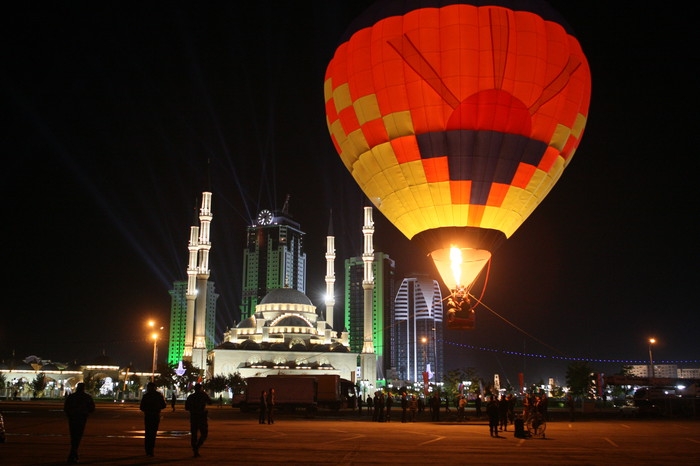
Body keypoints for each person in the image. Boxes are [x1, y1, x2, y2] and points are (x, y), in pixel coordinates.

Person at [64, 382, 95, 464]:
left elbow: (66, 407)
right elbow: (92, 408)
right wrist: (86, 412)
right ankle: (73, 454)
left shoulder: (71, 397)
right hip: (81, 419)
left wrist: (70, 415)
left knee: (73, 436)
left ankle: (73, 453)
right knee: (78, 436)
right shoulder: (87, 397)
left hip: (73, 418)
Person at [140, 382, 167, 457]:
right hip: (155, 416)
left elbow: (141, 407)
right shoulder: (158, 395)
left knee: (148, 433)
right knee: (153, 434)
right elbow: (164, 405)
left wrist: (147, 409)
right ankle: (150, 450)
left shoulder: (146, 396)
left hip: (148, 416)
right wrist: (156, 408)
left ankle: (148, 450)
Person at [185, 383, 212, 457]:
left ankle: (195, 449)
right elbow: (210, 402)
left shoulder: (191, 397)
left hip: (194, 417)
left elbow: (186, 407)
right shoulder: (203, 396)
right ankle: (197, 447)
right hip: (201, 417)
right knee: (204, 434)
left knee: (194, 435)